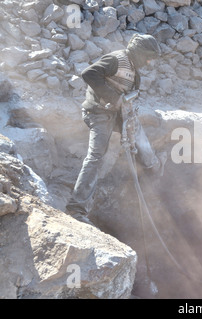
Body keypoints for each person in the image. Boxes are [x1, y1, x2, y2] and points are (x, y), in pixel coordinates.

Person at [66, 33, 167, 223]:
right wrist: (115, 98)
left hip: (118, 115)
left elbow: (127, 100)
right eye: (147, 57)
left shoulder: (135, 75)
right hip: (98, 113)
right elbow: (89, 74)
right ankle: (76, 208)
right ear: (138, 53)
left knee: (139, 136)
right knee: (96, 155)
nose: (148, 62)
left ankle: (153, 167)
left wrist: (128, 120)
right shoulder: (116, 60)